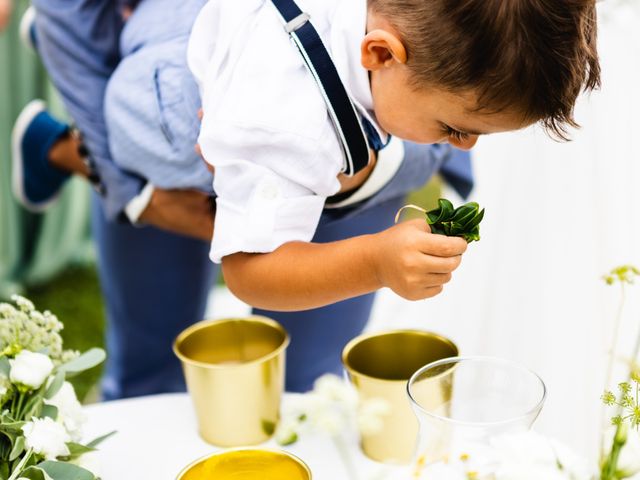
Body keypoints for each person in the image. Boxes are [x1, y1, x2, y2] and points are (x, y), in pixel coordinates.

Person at [11, 0, 599, 396]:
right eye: (453, 127)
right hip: (162, 113)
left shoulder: (392, 31)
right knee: (190, 170)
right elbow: (249, 269)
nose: (463, 145)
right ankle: (66, 146)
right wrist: (375, 262)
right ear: (380, 54)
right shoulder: (284, 122)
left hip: (199, 27)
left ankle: (61, 137)